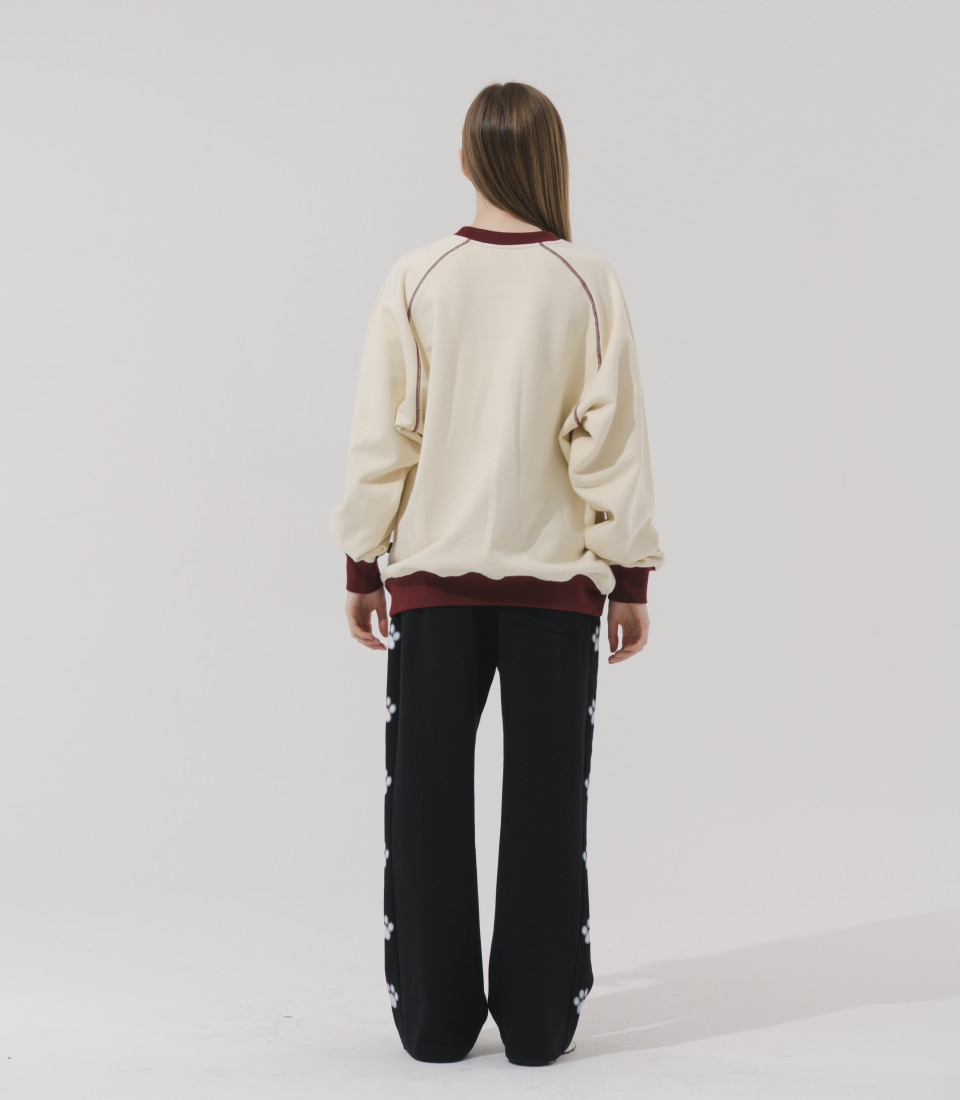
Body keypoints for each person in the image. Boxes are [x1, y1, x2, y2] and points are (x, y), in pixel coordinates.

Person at [329, 81, 666, 1067]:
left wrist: (362, 558)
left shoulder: (419, 276)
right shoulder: (587, 281)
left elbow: (382, 434)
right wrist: (628, 575)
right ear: (551, 160)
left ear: (467, 160)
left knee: (425, 799)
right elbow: (614, 444)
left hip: (432, 584)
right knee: (549, 802)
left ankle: (435, 1021)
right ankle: (538, 1021)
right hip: (556, 589)